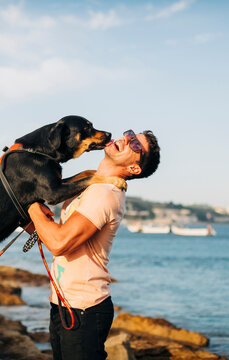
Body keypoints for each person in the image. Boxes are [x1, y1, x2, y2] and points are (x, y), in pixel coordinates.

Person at [27, 129, 160, 360]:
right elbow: (53, 235)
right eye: (129, 134)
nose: (126, 139)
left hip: (84, 309)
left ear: (134, 169)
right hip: (62, 303)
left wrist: (30, 204)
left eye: (135, 145)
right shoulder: (91, 184)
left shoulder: (106, 193)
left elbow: (59, 243)